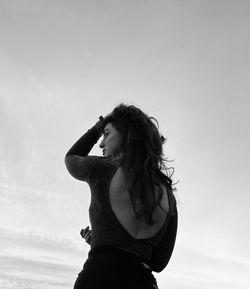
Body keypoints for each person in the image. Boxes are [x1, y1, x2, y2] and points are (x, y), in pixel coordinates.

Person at [64, 103, 178, 289]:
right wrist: (104, 237)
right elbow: (158, 262)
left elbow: (72, 158)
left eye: (106, 133)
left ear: (127, 135)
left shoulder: (103, 169)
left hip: (98, 279)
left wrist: (97, 127)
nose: (101, 143)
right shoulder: (169, 198)